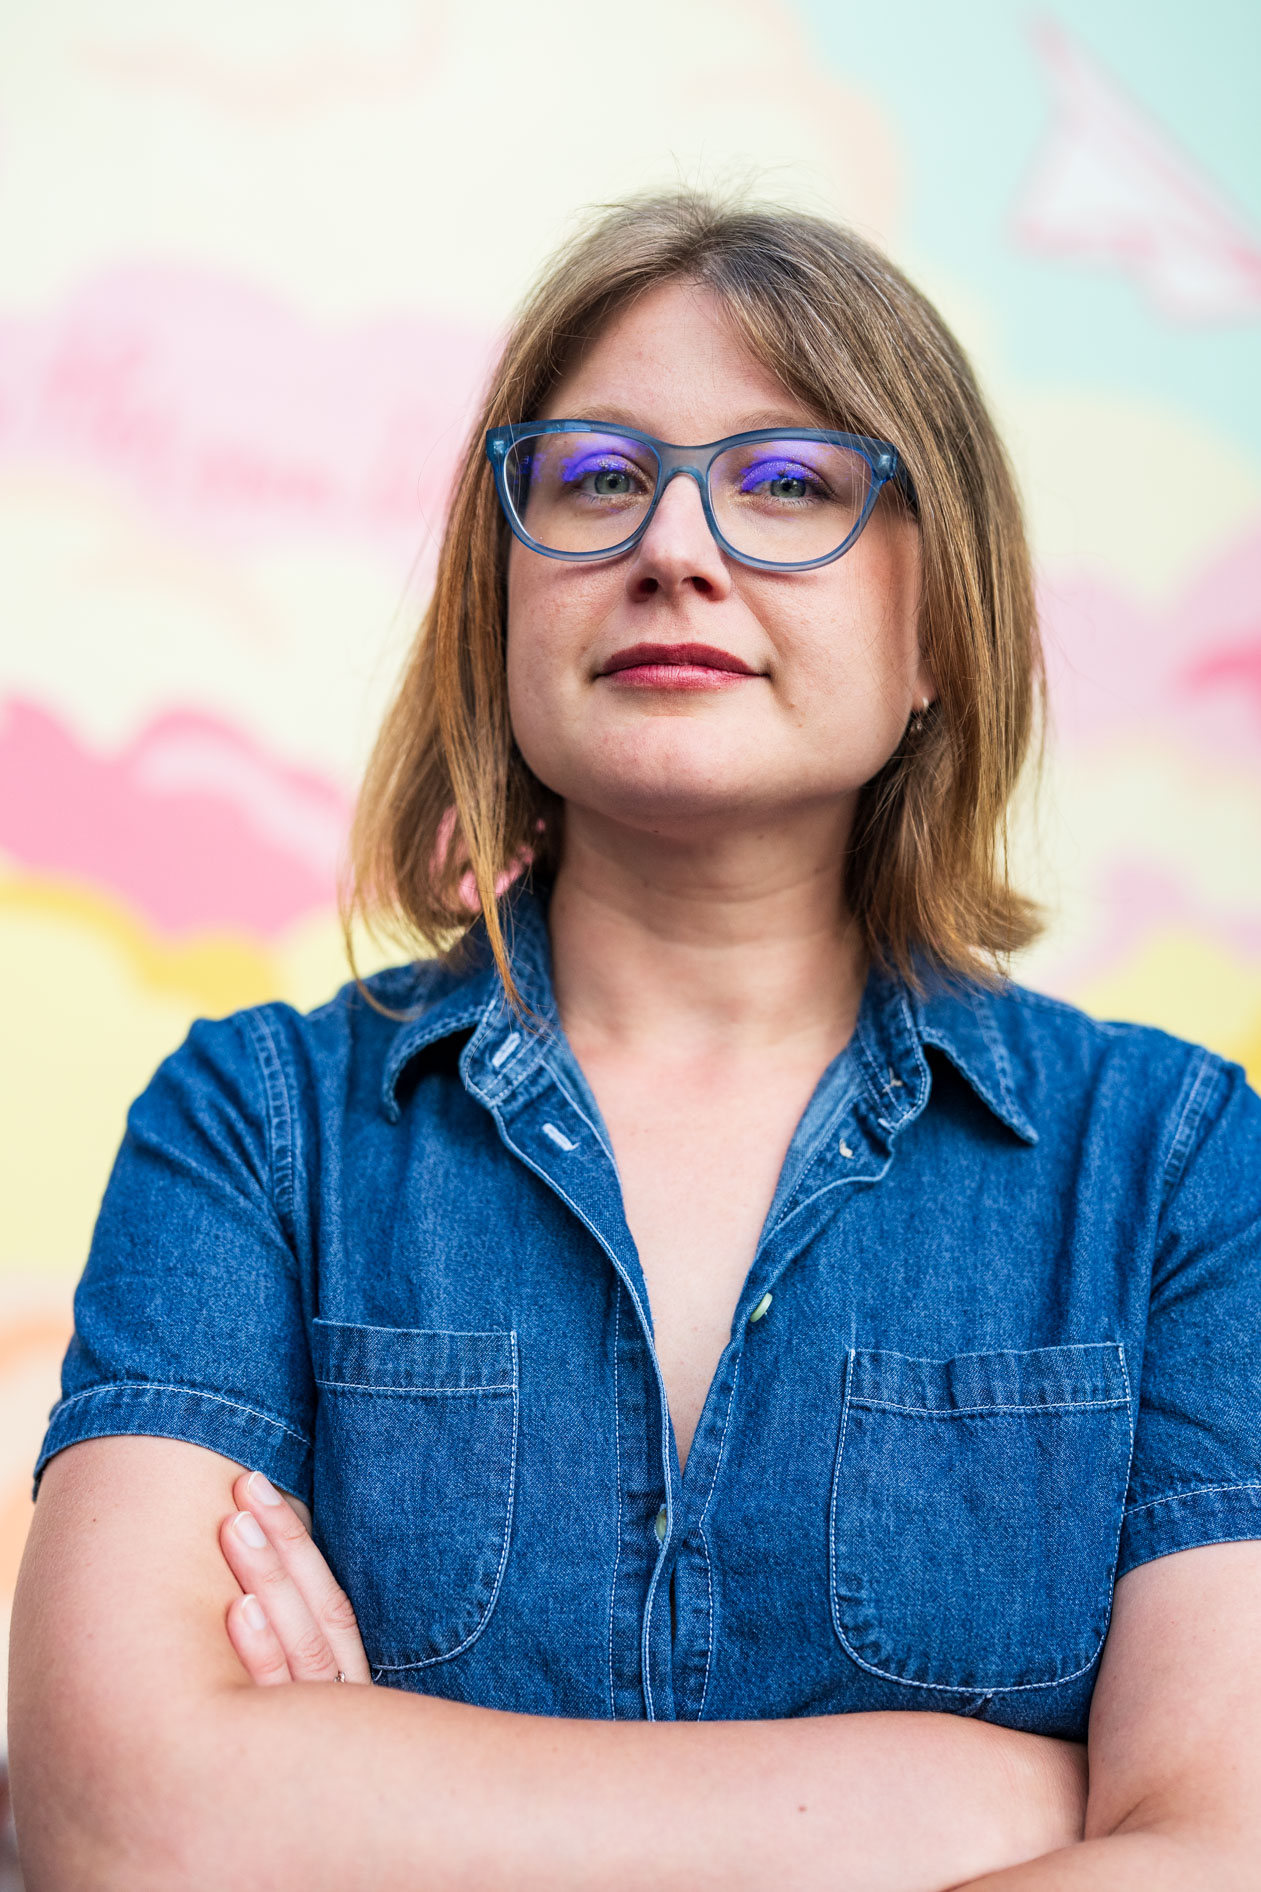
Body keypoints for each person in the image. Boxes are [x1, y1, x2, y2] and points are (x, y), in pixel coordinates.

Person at [9, 191, 1261, 1892]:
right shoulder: (254, 1130)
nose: (674, 547)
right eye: (596, 481)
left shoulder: (1178, 1169)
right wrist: (979, 1807)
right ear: (500, 600)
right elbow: (124, 1824)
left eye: (789, 484)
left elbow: (1220, 1854)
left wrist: (357, 1803)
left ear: (938, 633)